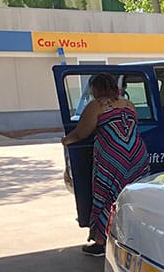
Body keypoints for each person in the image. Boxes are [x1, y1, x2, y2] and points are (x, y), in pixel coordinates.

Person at [61, 73, 149, 257]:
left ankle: (100, 242)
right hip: (137, 156)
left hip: (112, 158)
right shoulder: (128, 104)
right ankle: (134, 236)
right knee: (133, 196)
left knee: (106, 196)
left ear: (96, 88)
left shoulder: (96, 106)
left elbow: (81, 133)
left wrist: (66, 140)